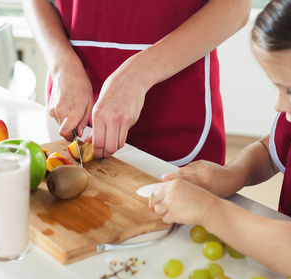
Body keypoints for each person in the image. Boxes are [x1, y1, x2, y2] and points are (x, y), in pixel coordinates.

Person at [149, 0, 291, 279]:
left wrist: (208, 210)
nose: (278, 104)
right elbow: (268, 151)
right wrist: (233, 174)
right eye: (276, 87)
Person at [24, 0, 252, 166]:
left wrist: (138, 75)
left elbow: (236, 6)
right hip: (74, 99)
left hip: (178, 106)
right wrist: (62, 67)